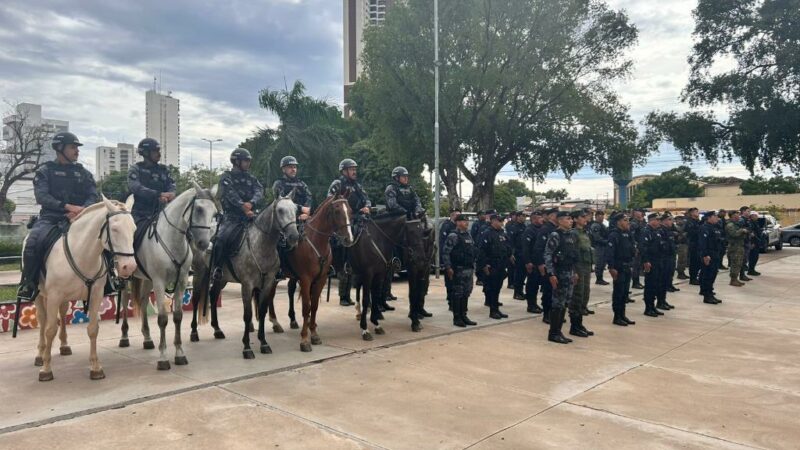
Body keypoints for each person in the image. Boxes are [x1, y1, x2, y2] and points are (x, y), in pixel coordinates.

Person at [17, 132, 99, 300]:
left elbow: (93, 195)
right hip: (51, 218)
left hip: (80, 217)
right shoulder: (45, 171)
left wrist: (83, 210)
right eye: (73, 147)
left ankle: (109, 280)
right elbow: (42, 196)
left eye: (77, 147)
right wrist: (66, 207)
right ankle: (30, 282)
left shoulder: (83, 173)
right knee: (33, 242)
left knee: (103, 238)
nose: (77, 151)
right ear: (59, 149)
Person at [210, 148, 264, 281]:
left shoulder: (251, 178)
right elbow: (229, 194)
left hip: (251, 215)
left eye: (248, 161)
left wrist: (251, 203)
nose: (248, 163)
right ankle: (217, 268)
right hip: (231, 217)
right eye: (246, 161)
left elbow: (259, 190)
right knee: (221, 239)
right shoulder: (226, 177)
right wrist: (242, 206)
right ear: (236, 161)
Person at [328, 158, 371, 306]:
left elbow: (366, 199)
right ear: (344, 171)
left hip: (358, 219)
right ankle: (343, 296)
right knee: (345, 258)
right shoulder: (337, 184)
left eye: (355, 169)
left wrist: (367, 207)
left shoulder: (357, 185)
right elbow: (330, 201)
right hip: (343, 222)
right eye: (351, 169)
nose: (354, 171)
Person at [544, 211, 579, 344]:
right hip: (559, 273)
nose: (571, 221)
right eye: (568, 219)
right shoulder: (555, 235)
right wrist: (551, 274)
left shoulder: (571, 235)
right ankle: (553, 333)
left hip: (569, 272)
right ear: (560, 221)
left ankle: (559, 331)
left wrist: (575, 272)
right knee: (557, 303)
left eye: (571, 219)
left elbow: (573, 255)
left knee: (565, 302)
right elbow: (548, 254)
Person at [127, 138, 176, 230]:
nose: (159, 154)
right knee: (131, 234)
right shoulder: (136, 169)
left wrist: (171, 194)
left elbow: (171, 185)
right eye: (155, 151)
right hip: (139, 213)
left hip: (161, 212)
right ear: (145, 153)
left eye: (159, 151)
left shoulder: (164, 170)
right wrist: (159, 194)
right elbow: (135, 187)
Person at [442, 214, 478, 327]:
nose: (466, 223)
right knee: (458, 293)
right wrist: (448, 267)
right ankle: (457, 318)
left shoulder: (468, 235)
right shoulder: (453, 235)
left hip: (468, 268)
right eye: (463, 221)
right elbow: (446, 252)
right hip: (458, 269)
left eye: (467, 221)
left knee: (466, 293)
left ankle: (464, 315)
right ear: (457, 222)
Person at [477, 213, 513, 319]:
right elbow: (482, 251)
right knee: (492, 288)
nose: (501, 223)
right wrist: (484, 265)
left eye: (502, 221)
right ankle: (493, 311)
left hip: (501, 264)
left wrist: (510, 255)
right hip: (491, 265)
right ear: (493, 221)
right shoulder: (487, 233)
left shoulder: (502, 233)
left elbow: (507, 246)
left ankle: (496, 309)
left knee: (497, 288)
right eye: (499, 221)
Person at [606, 213, 636, 326]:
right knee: (618, 293)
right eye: (625, 220)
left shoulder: (628, 233)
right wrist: (611, 267)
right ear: (618, 222)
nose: (627, 222)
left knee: (624, 293)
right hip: (619, 266)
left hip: (627, 265)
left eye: (628, 220)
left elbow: (632, 247)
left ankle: (623, 314)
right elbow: (610, 252)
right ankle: (617, 316)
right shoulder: (614, 235)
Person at [568, 210, 594, 337]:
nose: (585, 219)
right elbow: (572, 253)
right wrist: (574, 271)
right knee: (577, 296)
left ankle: (579, 324)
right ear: (575, 219)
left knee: (585, 294)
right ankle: (574, 325)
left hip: (586, 266)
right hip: (578, 267)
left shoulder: (584, 232)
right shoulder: (573, 234)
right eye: (582, 217)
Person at [533, 208, 559, 322]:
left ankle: (555, 313)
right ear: (551, 216)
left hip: (557, 264)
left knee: (556, 291)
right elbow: (539, 249)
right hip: (547, 264)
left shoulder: (557, 229)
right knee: (548, 290)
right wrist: (540, 264)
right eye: (557, 215)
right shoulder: (545, 229)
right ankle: (547, 314)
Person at [640, 212, 665, 317]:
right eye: (657, 220)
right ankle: (648, 308)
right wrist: (646, 261)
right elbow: (643, 248)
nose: (659, 222)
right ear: (651, 221)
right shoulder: (646, 232)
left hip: (658, 261)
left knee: (656, 285)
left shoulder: (657, 232)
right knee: (650, 285)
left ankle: (653, 306)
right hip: (650, 261)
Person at [272, 155, 312, 220]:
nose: (293, 170)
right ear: (283, 169)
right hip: (285, 217)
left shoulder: (301, 183)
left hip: (303, 215)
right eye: (290, 167)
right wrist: (301, 208)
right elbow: (282, 202)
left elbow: (309, 196)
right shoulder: (279, 183)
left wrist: (306, 211)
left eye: (295, 167)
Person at [521, 210, 544, 314]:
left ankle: (535, 304)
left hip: (539, 261)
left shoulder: (541, 229)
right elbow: (525, 248)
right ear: (534, 219)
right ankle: (531, 305)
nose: (542, 219)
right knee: (532, 284)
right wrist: (528, 262)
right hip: (532, 262)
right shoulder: (529, 230)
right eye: (540, 218)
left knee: (537, 284)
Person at [698, 210, 723, 304]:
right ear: (709, 217)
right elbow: (702, 243)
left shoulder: (714, 227)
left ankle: (710, 293)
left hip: (715, 254)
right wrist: (705, 255)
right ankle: (707, 296)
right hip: (709, 254)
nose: (717, 218)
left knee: (712, 275)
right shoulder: (704, 228)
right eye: (715, 216)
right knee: (707, 275)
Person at [440, 207, 461, 310]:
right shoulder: (447, 226)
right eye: (457, 215)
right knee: (450, 282)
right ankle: (451, 302)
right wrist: (444, 261)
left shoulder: (459, 227)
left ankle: (457, 302)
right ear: (452, 215)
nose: (458, 217)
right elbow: (442, 243)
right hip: (450, 258)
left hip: (459, 259)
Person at [725, 210, 749, 287]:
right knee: (735, 263)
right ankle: (733, 280)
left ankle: (735, 279)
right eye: (737, 215)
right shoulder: (730, 225)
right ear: (733, 216)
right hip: (734, 246)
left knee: (739, 263)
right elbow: (734, 234)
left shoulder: (736, 224)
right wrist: (742, 230)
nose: (739, 217)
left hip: (739, 246)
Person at [506, 211, 527, 298]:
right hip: (517, 253)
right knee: (518, 274)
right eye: (523, 216)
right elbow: (510, 242)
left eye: (525, 216)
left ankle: (520, 291)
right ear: (518, 217)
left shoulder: (524, 226)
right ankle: (517, 293)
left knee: (523, 274)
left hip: (523, 253)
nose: (524, 217)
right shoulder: (514, 227)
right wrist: (511, 253)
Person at [659, 214, 678, 310]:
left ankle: (663, 300)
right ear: (664, 221)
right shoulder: (661, 231)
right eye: (669, 220)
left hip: (670, 258)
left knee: (666, 280)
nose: (672, 222)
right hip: (664, 259)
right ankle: (660, 302)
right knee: (662, 281)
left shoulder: (669, 231)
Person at [589, 211, 609, 285]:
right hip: (599, 246)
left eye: (602, 216)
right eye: (600, 216)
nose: (601, 218)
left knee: (603, 263)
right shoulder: (595, 225)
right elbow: (597, 238)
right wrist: (606, 241)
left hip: (603, 246)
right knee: (599, 263)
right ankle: (599, 279)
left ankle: (600, 278)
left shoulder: (602, 225)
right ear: (596, 216)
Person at [629, 209, 646, 290]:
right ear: (635, 214)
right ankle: (635, 283)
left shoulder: (640, 223)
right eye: (639, 213)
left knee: (638, 265)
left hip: (641, 246)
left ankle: (637, 281)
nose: (641, 214)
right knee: (635, 266)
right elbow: (632, 236)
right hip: (636, 247)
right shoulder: (633, 224)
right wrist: (635, 246)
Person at [685, 207, 702, 285]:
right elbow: (691, 232)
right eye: (695, 211)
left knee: (698, 262)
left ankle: (696, 277)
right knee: (694, 262)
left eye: (697, 211)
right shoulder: (689, 222)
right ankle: (693, 279)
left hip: (699, 243)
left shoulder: (698, 221)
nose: (697, 213)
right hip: (693, 244)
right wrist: (699, 230)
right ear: (691, 213)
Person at [747, 211, 762, 276]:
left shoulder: (755, 222)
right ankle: (750, 270)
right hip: (753, 243)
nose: (756, 217)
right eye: (755, 216)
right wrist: (752, 243)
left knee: (755, 257)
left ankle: (752, 269)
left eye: (757, 215)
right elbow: (751, 234)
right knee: (752, 257)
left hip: (757, 242)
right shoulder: (750, 223)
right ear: (752, 216)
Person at [674, 215, 689, 279]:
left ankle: (682, 272)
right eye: (678, 220)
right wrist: (682, 235)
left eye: (681, 219)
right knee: (681, 259)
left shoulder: (684, 226)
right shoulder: (675, 227)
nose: (680, 221)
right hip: (679, 244)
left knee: (684, 259)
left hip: (684, 244)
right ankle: (680, 273)